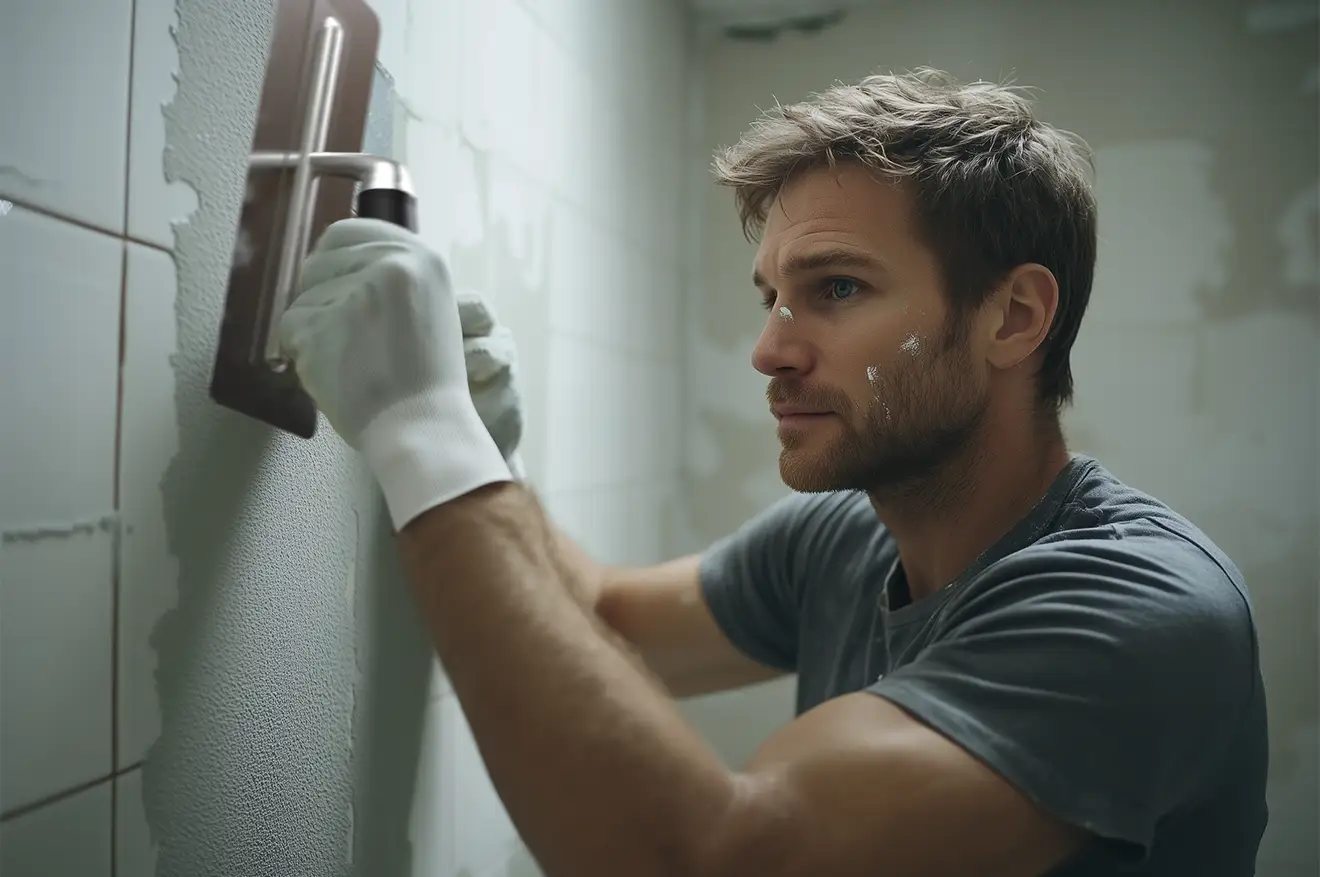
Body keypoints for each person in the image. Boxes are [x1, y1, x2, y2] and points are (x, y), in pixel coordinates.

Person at [279, 68, 1269, 877]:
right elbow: (601, 621)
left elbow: (717, 856)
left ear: (1013, 318)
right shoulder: (848, 535)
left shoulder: (1141, 607)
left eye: (836, 288)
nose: (768, 350)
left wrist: (424, 435)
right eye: (773, 297)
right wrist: (493, 454)